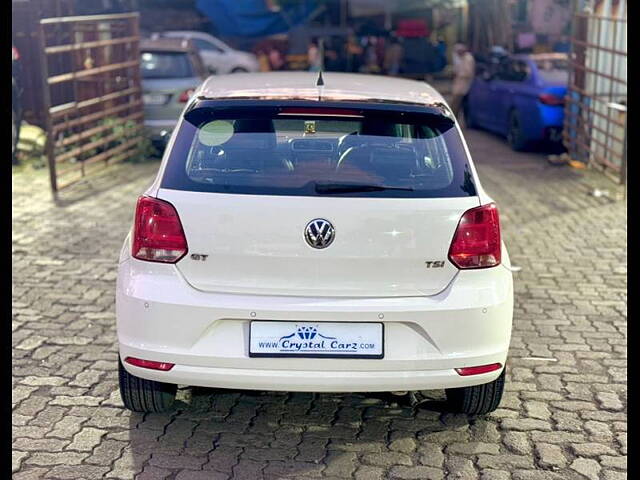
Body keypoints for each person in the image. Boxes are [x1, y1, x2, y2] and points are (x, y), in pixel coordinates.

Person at [450, 43, 475, 120]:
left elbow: (468, 73)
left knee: (456, 105)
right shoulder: (462, 58)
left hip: (463, 86)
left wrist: (458, 74)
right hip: (459, 85)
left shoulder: (468, 58)